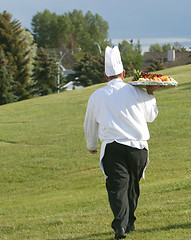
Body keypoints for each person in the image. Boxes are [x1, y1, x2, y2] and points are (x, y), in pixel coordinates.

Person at [84, 46, 162, 239]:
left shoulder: (97, 96)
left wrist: (92, 145)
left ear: (105, 76)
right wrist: (150, 93)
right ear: (124, 73)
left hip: (113, 148)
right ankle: (130, 221)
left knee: (117, 187)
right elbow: (151, 116)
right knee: (133, 186)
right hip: (138, 147)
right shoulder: (136, 90)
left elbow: (89, 123)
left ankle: (121, 225)